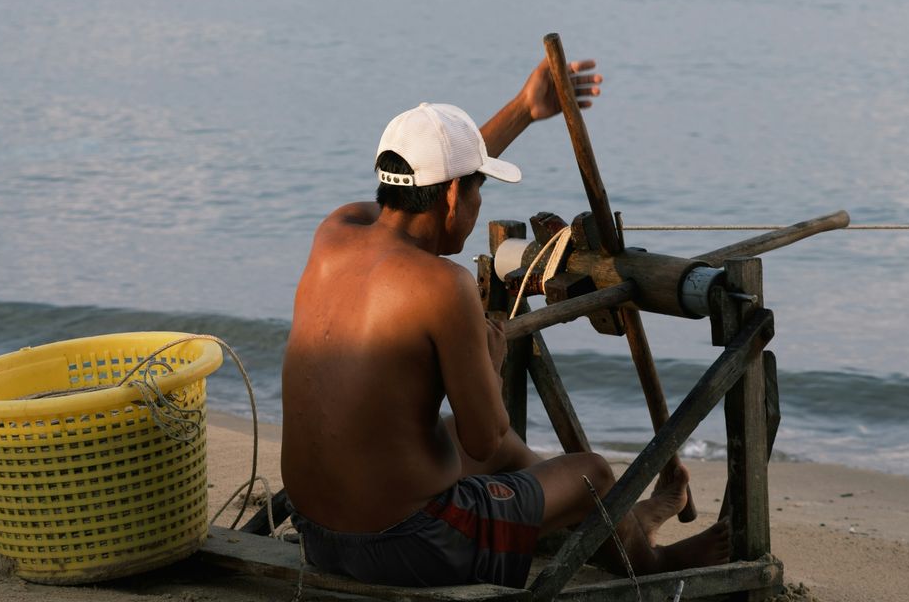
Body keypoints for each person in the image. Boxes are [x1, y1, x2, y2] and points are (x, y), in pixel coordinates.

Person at [280, 58, 730, 588]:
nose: (475, 208)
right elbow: (484, 438)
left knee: (494, 448)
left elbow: (436, 173)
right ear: (452, 197)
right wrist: (490, 363)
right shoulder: (442, 285)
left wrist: (524, 110)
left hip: (319, 533)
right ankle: (650, 562)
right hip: (408, 545)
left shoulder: (336, 232)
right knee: (592, 474)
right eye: (477, 193)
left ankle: (622, 523)